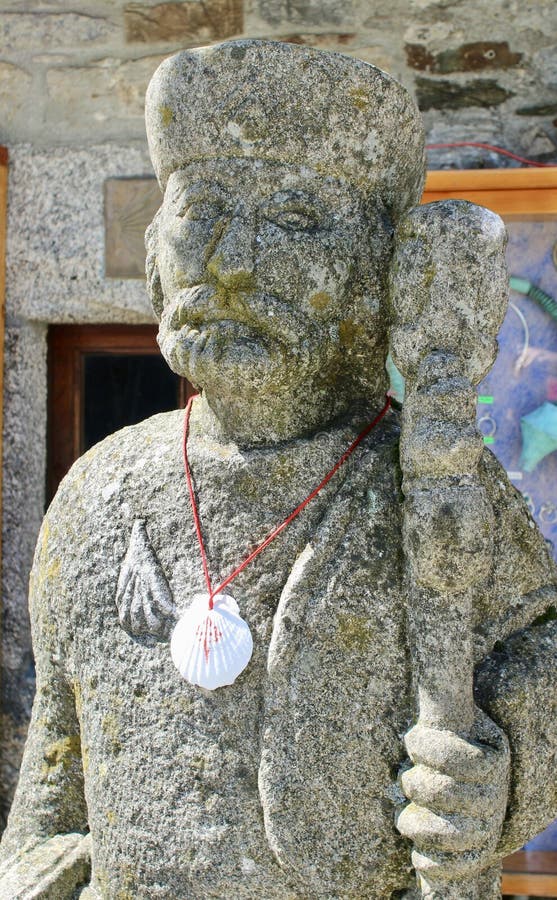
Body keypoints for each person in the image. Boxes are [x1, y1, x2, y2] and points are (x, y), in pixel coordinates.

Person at [0, 40, 555, 900]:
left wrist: (498, 776)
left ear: (377, 275)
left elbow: (538, 656)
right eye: (202, 210)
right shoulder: (99, 493)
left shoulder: (428, 484)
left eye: (294, 220)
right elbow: (55, 780)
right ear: (154, 257)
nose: (229, 259)